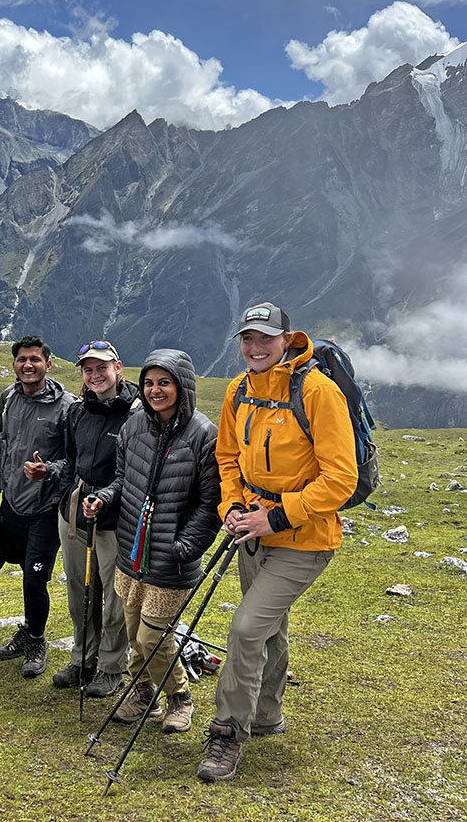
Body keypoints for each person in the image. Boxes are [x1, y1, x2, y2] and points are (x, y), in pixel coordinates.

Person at [197, 303, 357, 782]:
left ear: (287, 339)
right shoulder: (238, 391)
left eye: (265, 337)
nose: (255, 347)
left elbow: (341, 479)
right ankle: (266, 714)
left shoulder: (317, 391)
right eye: (247, 338)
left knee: (246, 628)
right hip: (253, 528)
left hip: (305, 538)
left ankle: (228, 731)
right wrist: (232, 509)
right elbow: (227, 459)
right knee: (269, 625)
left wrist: (279, 517)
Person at [84, 349, 221, 733]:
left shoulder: (203, 435)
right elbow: (123, 480)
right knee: (132, 632)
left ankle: (180, 698)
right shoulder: (133, 428)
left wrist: (185, 547)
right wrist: (105, 498)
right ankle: (144, 692)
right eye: (149, 383)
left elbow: (211, 504)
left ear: (183, 385)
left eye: (165, 382)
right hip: (132, 552)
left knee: (153, 636)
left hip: (171, 559)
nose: (155, 390)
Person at [0, 335, 75, 679]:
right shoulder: (7, 398)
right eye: (22, 359)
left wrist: (47, 470)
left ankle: (36, 640)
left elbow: (74, 461)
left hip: (46, 508)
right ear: (14, 364)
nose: (28, 365)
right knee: (15, 565)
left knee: (35, 578)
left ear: (48, 365)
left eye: (35, 359)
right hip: (12, 503)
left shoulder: (67, 405)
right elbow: (0, 447)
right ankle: (29, 630)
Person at [53, 340, 137, 698]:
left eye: (102, 367)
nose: (95, 375)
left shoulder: (137, 413)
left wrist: (106, 498)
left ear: (118, 367)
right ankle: (83, 658)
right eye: (88, 369)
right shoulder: (76, 412)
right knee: (79, 590)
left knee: (115, 597)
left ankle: (111, 667)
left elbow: (136, 471)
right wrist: (55, 476)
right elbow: (70, 461)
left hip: (116, 517)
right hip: (74, 513)